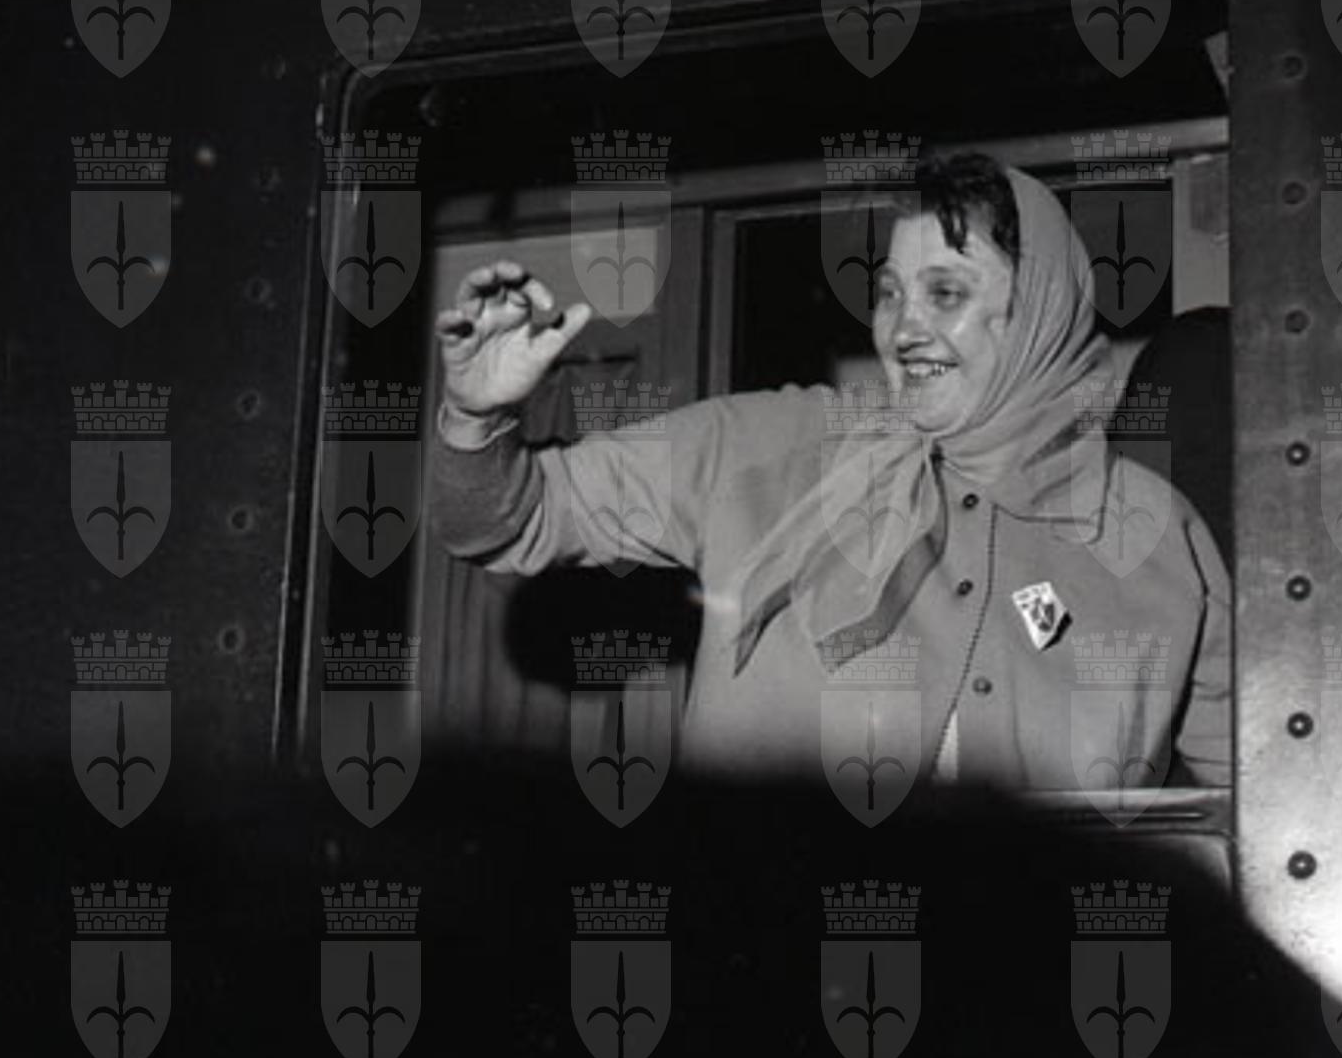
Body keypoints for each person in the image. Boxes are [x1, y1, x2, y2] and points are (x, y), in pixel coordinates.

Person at [429, 153, 1230, 794]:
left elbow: (1245, 797)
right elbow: (516, 520)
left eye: (945, 293)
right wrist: (475, 417)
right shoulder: (769, 450)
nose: (903, 329)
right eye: (890, 293)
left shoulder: (1157, 536)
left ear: (1039, 312)